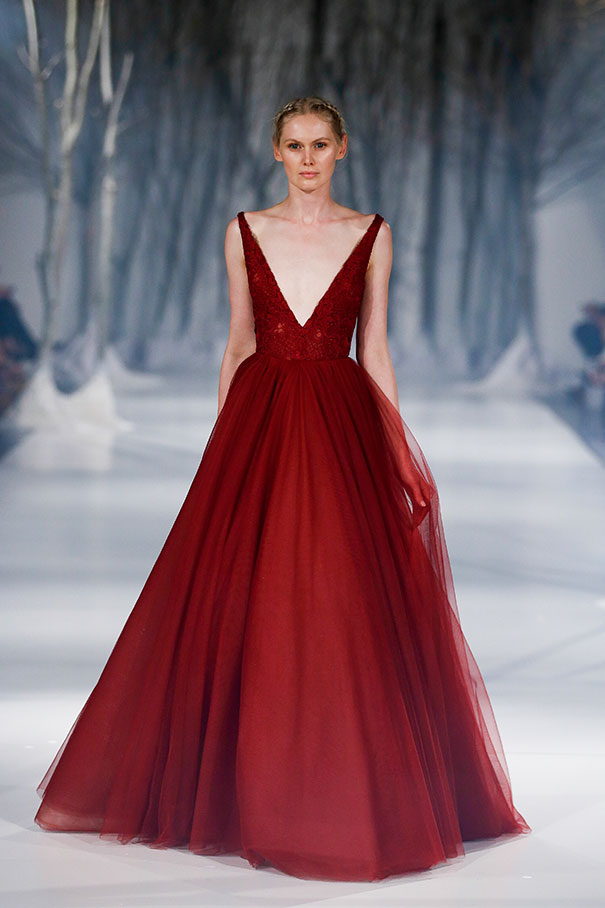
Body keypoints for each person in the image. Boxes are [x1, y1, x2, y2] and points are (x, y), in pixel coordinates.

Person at [34, 95, 530, 882]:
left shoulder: (371, 234)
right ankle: (242, 792)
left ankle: (345, 787)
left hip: (339, 424)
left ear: (342, 149)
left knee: (343, 595)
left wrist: (397, 454)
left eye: (319, 145)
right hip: (258, 423)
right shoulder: (242, 231)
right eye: (293, 145)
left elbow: (375, 351)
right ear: (275, 152)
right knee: (247, 594)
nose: (306, 159)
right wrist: (222, 448)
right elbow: (238, 343)